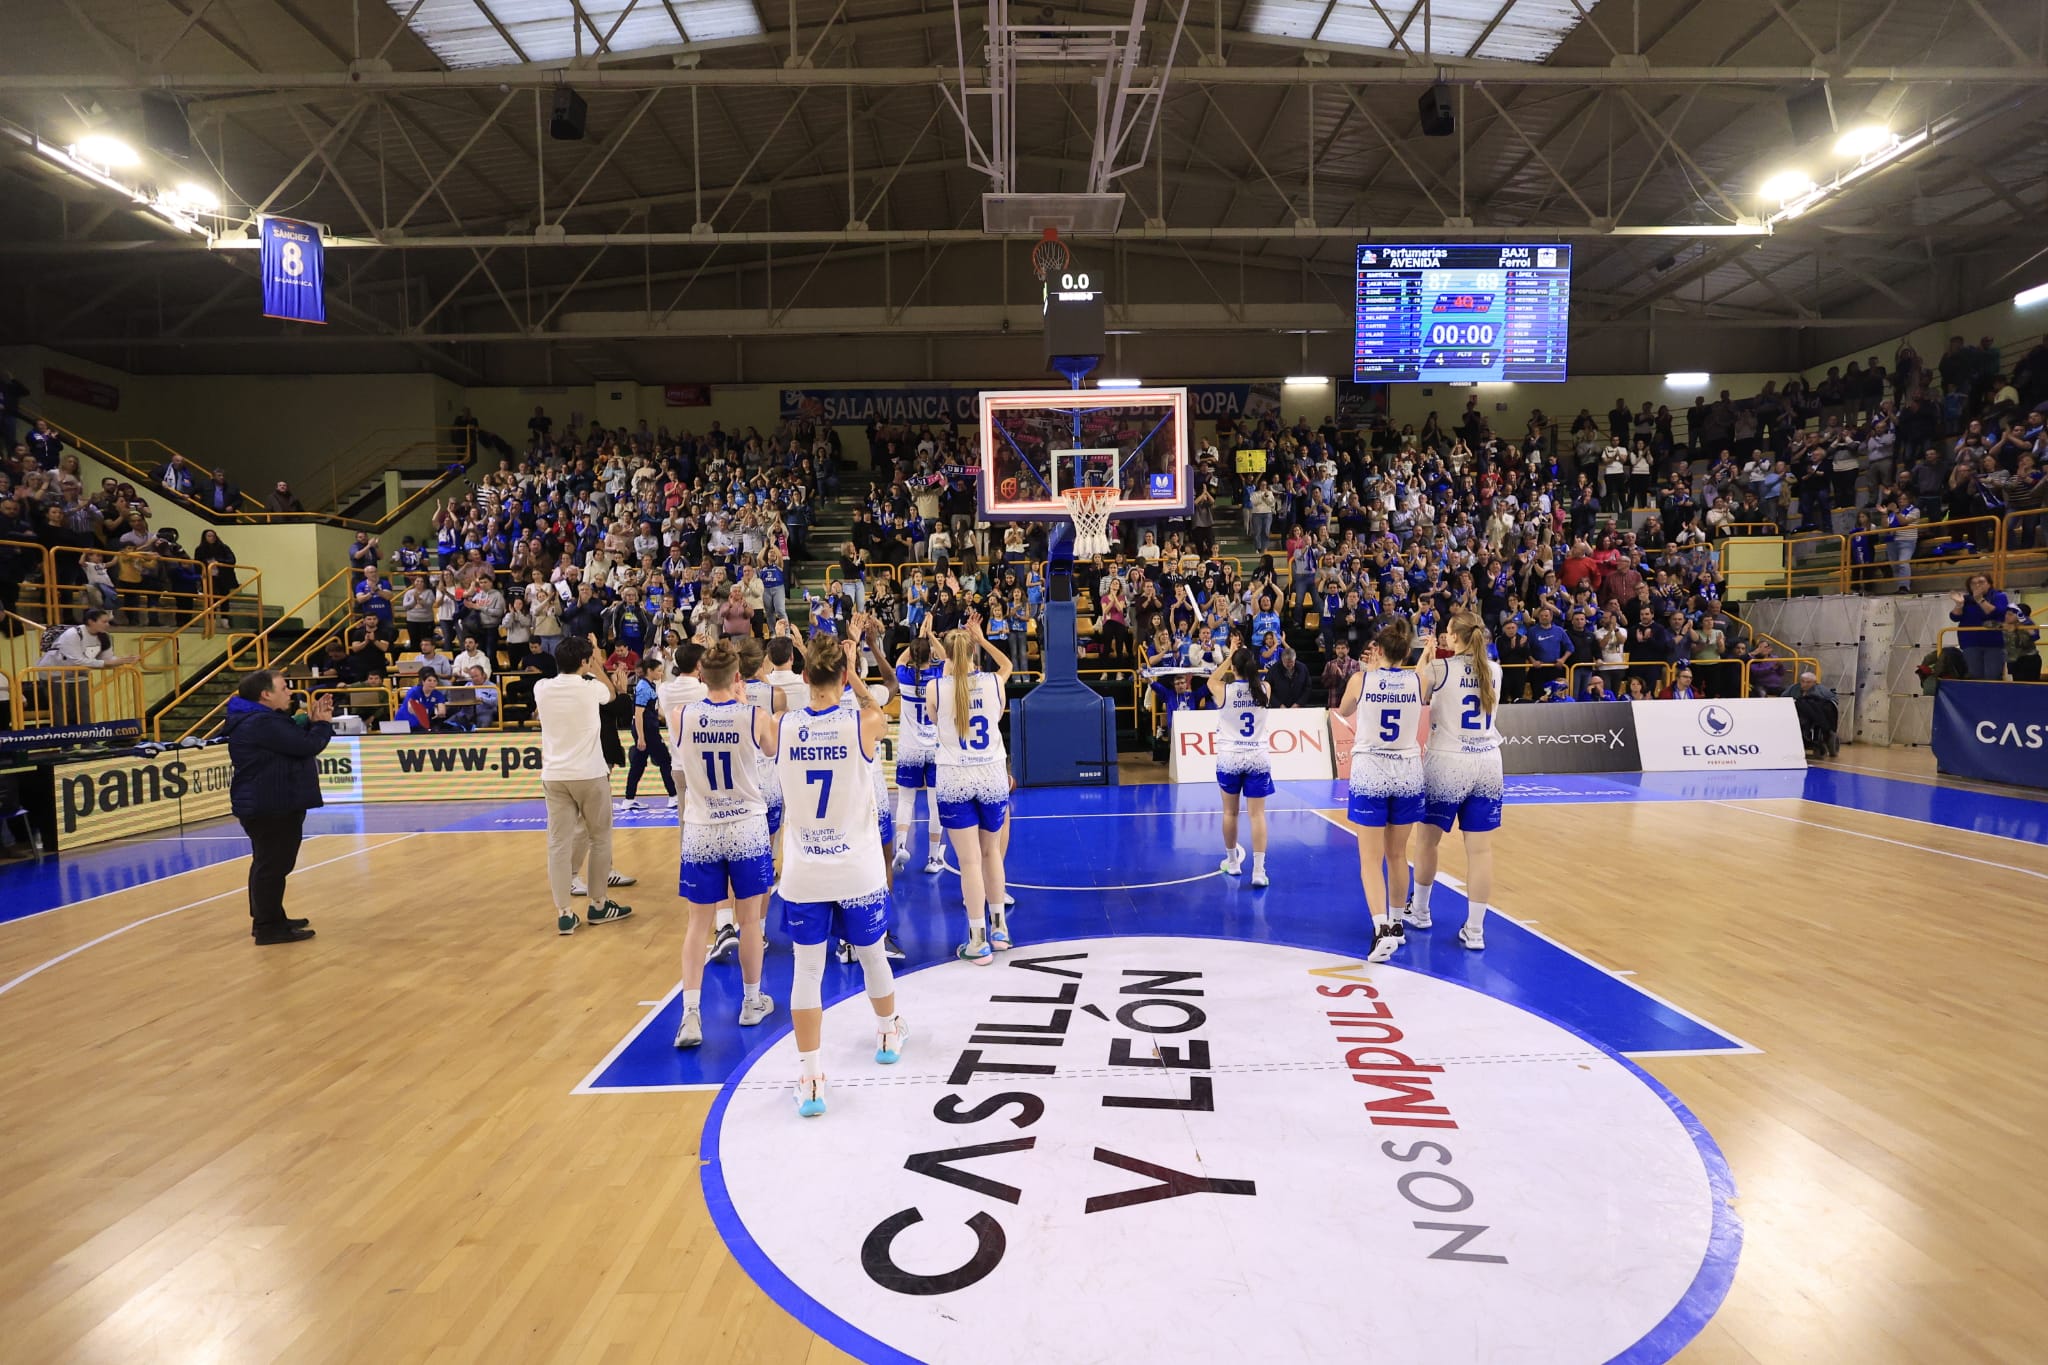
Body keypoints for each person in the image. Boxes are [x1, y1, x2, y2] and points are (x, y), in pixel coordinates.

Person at [776, 631, 910, 1117]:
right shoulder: (866, 721)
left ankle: (811, 1076)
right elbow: (882, 700)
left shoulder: (783, 725)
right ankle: (888, 1033)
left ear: (805, 675)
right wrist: (853, 667)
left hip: (806, 870)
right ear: (842, 674)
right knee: (873, 956)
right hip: (857, 867)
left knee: (807, 970)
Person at [670, 640, 779, 1048]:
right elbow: (771, 749)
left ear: (701, 675)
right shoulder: (755, 714)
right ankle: (751, 1001)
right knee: (750, 920)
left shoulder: (681, 714)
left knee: (698, 924)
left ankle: (691, 1015)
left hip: (701, 826)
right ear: (737, 677)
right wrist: (743, 700)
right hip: (746, 825)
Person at [1410, 615, 1503, 952]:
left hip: (1448, 761)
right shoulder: (1495, 670)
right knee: (1480, 851)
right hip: (1488, 762)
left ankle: (1420, 911)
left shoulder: (1439, 669)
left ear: (1455, 638)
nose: (1443, 637)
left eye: (1447, 632)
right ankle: (1475, 931)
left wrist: (1424, 663)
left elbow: (1418, 699)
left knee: (1427, 841)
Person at [223, 671, 335, 945]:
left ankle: (272, 917)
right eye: (284, 688)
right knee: (272, 866)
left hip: (271, 800)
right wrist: (321, 725)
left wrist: (309, 720)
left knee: (271, 864)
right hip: (270, 803)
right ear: (266, 694)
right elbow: (307, 745)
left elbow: (290, 738)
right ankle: (267, 926)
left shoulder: (263, 720)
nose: (290, 692)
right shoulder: (261, 722)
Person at [927, 612, 1014, 964]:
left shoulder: (936, 687)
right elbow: (1006, 665)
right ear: (974, 653)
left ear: (947, 657)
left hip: (955, 777)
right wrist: (981, 639)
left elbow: (935, 719)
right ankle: (1000, 930)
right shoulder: (995, 682)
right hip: (991, 775)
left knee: (969, 861)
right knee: (991, 853)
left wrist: (951, 669)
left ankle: (977, 941)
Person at [1337, 617, 1423, 965]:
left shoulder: (1362, 679)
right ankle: (1398, 924)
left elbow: (1342, 710)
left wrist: (1367, 673)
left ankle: (1380, 929)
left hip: (1371, 770)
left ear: (1379, 650)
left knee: (1370, 860)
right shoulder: (1419, 680)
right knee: (1398, 855)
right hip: (1406, 771)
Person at [536, 637, 634, 936]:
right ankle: (599, 904)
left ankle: (564, 913)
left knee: (558, 843)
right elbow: (612, 695)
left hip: (554, 775)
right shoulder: (591, 688)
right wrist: (598, 666)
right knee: (599, 838)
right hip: (590, 773)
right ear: (584, 662)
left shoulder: (541, 688)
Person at [1208, 645, 1274, 888]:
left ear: (1233, 668)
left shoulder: (1223, 689)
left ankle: (1233, 862)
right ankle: (1258, 871)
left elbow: (1211, 679)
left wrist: (1228, 657)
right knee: (1257, 815)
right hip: (1257, 756)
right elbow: (1254, 680)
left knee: (1230, 813)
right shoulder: (1265, 688)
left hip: (1230, 757)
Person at [892, 618, 946, 875]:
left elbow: (900, 662)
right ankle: (933, 858)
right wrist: (931, 635)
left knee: (905, 800)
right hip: (935, 747)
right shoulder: (937, 676)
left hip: (910, 747)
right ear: (930, 656)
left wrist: (917, 641)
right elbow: (948, 660)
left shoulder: (904, 675)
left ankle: (901, 845)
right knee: (936, 803)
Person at [621, 654, 678, 812]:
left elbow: (653, 710)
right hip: (647, 731)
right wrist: (641, 737)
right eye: (659, 671)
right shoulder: (643, 688)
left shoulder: (650, 685)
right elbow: (638, 714)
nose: (661, 673)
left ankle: (629, 798)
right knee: (665, 761)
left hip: (649, 728)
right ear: (649, 671)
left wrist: (668, 717)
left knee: (638, 764)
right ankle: (673, 796)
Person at [1949, 573, 2010, 681]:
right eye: (1973, 583)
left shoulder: (1999, 596)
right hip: (1971, 643)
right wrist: (1959, 605)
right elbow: (1954, 617)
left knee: (1992, 676)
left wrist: (1980, 600)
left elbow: (1995, 613)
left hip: (1994, 644)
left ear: (1989, 584)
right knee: (1974, 676)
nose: (1977, 585)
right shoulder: (1966, 599)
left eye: (1981, 582)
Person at [1784, 669, 1840, 758]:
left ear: (1814, 682)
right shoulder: (1793, 688)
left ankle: (1821, 737)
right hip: (1796, 714)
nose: (1805, 684)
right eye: (1803, 681)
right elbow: (1783, 698)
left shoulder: (1822, 690)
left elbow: (1833, 701)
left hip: (1814, 716)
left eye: (1808, 682)